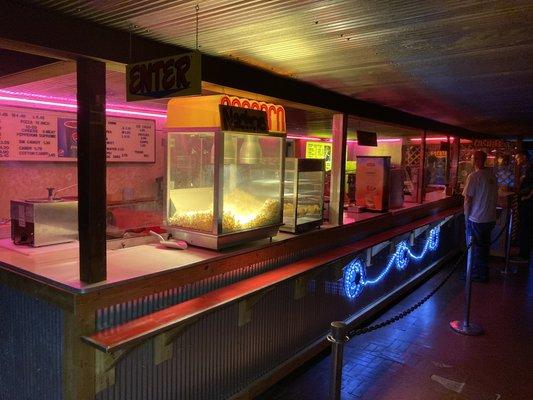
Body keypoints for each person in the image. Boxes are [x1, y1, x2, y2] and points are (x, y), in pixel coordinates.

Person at [462, 150, 498, 282]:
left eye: (472, 158)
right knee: (484, 248)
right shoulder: (492, 176)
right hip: (490, 217)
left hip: (476, 218)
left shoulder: (473, 177)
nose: (471, 160)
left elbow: (468, 199)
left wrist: (466, 218)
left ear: (476, 160)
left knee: (475, 248)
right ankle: (483, 272)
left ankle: (476, 275)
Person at [515, 153, 533, 263]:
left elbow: (530, 187)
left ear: (524, 158)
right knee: (525, 228)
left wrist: (522, 195)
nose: (516, 160)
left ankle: (524, 255)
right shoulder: (527, 169)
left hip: (528, 206)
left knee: (525, 229)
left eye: (517, 158)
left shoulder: (530, 169)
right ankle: (523, 253)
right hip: (526, 205)